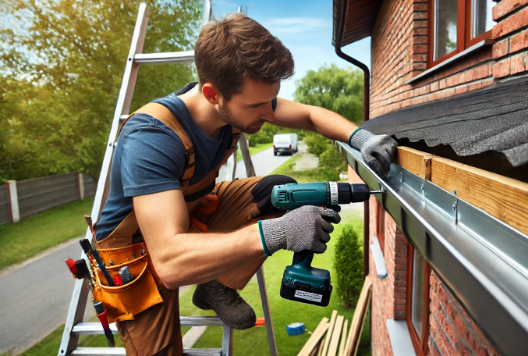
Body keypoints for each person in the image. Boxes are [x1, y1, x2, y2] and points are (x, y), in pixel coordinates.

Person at [92, 13, 397, 356]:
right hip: (138, 254)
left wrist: (361, 138)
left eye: (272, 99)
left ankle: (215, 287)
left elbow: (310, 115)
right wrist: (279, 233)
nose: (269, 114)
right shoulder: (152, 138)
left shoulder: (242, 101)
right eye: (256, 105)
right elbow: (170, 262)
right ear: (212, 94)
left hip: (191, 212)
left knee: (279, 192)